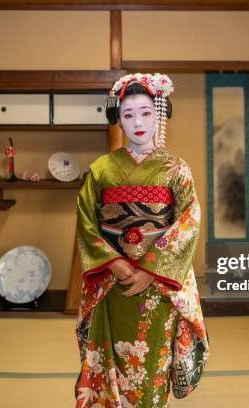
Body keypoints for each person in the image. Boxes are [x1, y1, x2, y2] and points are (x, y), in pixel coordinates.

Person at [74, 73, 209, 407]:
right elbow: (86, 221)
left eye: (147, 112)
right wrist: (116, 263)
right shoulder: (102, 168)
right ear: (117, 118)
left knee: (151, 366)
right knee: (111, 365)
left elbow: (188, 220)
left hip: (158, 285)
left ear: (160, 114)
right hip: (112, 282)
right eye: (128, 113)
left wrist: (151, 269)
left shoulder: (176, 169)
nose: (137, 122)